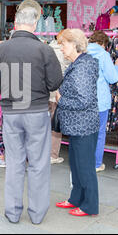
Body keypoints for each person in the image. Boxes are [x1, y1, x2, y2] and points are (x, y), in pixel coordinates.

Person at [0, 0, 63, 225]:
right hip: (37, 111)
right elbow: (54, 83)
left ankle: (12, 212)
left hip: (11, 112)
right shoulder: (44, 49)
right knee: (39, 163)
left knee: (14, 163)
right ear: (34, 24)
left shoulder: (0, 49)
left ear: (16, 24)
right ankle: (37, 214)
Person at [55, 28, 100, 217]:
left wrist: (60, 100)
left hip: (83, 125)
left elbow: (84, 100)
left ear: (74, 44)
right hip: (77, 125)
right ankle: (76, 199)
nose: (61, 48)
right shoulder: (79, 63)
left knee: (85, 167)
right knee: (76, 165)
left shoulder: (82, 67)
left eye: (63, 44)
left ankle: (90, 206)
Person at [87, 31, 118, 172]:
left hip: (84, 100)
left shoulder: (82, 52)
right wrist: (117, 66)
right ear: (103, 44)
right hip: (100, 101)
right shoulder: (103, 55)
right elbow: (113, 78)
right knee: (99, 134)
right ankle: (96, 164)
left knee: (85, 133)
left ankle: (84, 162)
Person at [48, 31, 71, 164]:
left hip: (46, 92)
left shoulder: (47, 49)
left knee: (45, 123)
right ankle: (53, 155)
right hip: (59, 92)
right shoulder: (65, 53)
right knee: (56, 125)